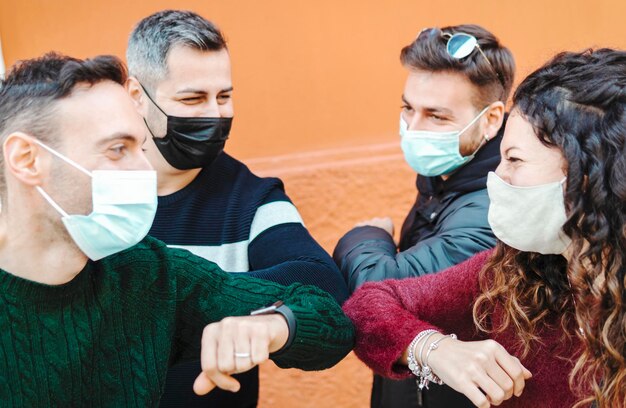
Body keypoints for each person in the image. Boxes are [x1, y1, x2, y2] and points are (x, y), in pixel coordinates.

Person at [0, 52, 355, 407]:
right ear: (27, 160)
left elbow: (331, 320)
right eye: (117, 149)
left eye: (140, 147)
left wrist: (275, 325)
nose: (144, 170)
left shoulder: (147, 274)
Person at [343, 48, 626, 408]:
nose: (498, 176)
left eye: (515, 160)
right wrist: (434, 349)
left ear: (589, 178)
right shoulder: (517, 271)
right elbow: (368, 306)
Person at [123, 10, 350, 407]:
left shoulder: (253, 199)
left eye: (224, 97)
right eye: (192, 98)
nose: (214, 114)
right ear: (137, 95)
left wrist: (269, 322)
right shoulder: (91, 189)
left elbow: (322, 284)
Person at [333, 24, 515, 407]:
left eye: (436, 116)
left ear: (491, 119)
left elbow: (377, 286)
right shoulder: (441, 180)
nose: (412, 129)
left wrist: (366, 235)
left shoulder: (495, 207)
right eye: (408, 108)